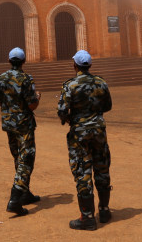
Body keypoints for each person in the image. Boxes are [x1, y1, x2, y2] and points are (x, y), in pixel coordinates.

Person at [57, 50, 113, 230]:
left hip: (79, 134)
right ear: (89, 65)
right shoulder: (101, 82)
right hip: (98, 131)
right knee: (102, 167)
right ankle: (104, 210)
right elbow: (108, 106)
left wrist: (69, 118)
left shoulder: (70, 85)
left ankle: (87, 217)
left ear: (75, 65)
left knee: (82, 171)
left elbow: (62, 112)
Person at [0, 47, 41, 216]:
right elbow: (32, 105)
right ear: (23, 61)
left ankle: (25, 193)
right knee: (26, 158)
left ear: (8, 61)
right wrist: (38, 98)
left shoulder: (1, 78)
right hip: (24, 125)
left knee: (18, 157)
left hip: (9, 124)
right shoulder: (26, 79)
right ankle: (15, 199)